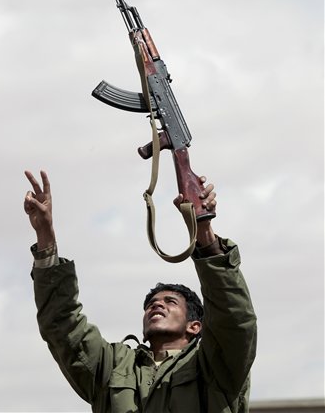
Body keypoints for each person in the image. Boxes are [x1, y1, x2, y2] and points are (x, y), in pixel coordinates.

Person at [24, 169, 257, 413]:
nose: (156, 305)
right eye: (151, 304)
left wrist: (204, 232)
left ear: (195, 326)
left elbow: (235, 321)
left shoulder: (215, 364)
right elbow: (62, 325)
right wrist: (45, 237)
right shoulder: (113, 365)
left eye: (170, 302)